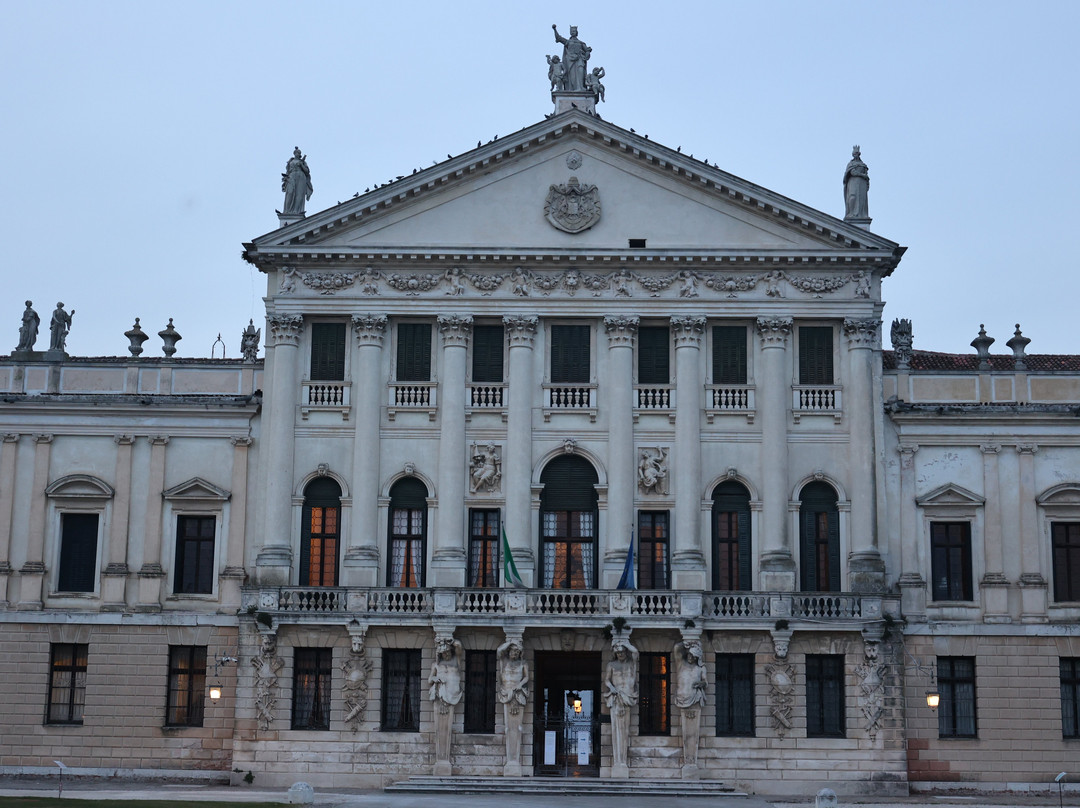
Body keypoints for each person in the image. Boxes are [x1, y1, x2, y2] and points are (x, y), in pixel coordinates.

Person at [603, 637, 638, 771]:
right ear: (615, 653)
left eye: (622, 652)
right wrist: (611, 687)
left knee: (624, 729)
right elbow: (607, 680)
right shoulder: (611, 665)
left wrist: (625, 642)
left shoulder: (631, 663)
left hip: (627, 697)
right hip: (616, 696)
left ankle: (621, 763)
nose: (621, 654)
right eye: (618, 653)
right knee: (617, 729)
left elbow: (635, 653)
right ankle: (619, 763)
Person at [552, 25, 591, 92]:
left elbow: (587, 50)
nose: (573, 32)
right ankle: (573, 89)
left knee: (580, 72)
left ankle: (580, 88)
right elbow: (558, 38)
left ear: (576, 32)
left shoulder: (580, 43)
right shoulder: (568, 42)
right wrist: (554, 29)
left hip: (579, 59)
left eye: (574, 31)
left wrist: (587, 53)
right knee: (572, 77)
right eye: (571, 31)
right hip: (570, 61)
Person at [282, 147, 313, 215]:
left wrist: (301, 165)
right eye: (296, 153)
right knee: (290, 193)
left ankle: (297, 211)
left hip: (301, 176)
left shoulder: (303, 162)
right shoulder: (290, 161)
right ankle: (287, 211)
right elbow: (287, 171)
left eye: (299, 153)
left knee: (299, 193)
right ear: (294, 153)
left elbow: (307, 171)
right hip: (291, 176)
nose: (297, 154)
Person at [843, 145, 870, 219]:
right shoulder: (850, 164)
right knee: (852, 197)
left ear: (859, 154)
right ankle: (851, 213)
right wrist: (862, 175)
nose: (856, 155)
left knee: (861, 198)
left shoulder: (863, 164)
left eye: (857, 154)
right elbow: (852, 172)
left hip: (862, 183)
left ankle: (861, 214)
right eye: (854, 154)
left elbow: (866, 174)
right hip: (853, 182)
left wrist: (865, 177)